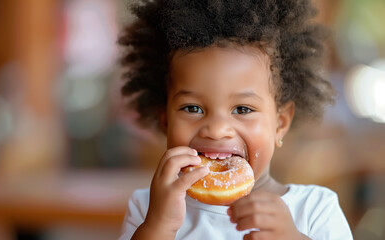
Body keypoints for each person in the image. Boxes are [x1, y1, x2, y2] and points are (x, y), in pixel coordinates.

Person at [117, 0, 353, 239]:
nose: (217, 130)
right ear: (166, 121)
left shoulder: (314, 209)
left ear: (280, 124)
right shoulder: (149, 207)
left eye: (242, 109)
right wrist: (160, 225)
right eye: (192, 108)